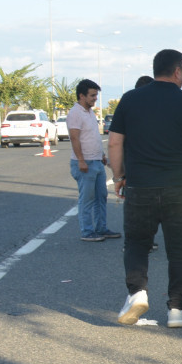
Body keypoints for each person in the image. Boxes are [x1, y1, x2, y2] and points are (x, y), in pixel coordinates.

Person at [108, 50, 182, 329]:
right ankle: (177, 310)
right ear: (178, 71)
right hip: (179, 189)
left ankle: (137, 294)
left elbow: (114, 143)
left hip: (140, 186)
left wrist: (118, 176)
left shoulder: (130, 99)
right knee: (179, 250)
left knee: (137, 243)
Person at [68, 79, 120, 242]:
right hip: (85, 163)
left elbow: (93, 136)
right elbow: (75, 138)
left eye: (96, 95)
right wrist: (81, 160)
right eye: (92, 95)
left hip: (96, 161)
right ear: (81, 96)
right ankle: (87, 231)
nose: (95, 98)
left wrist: (102, 155)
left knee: (101, 197)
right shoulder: (75, 113)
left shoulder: (90, 112)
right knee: (87, 199)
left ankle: (101, 228)